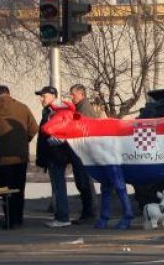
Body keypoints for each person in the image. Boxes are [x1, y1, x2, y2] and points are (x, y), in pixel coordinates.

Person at [0, 85, 37, 228]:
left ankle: (9, 220)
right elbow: (34, 128)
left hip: (3, 157)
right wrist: (24, 140)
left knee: (6, 189)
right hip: (20, 156)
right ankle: (18, 219)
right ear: (9, 94)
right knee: (19, 188)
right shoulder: (23, 108)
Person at [36, 86, 73, 228]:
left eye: (43, 96)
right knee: (57, 186)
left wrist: (56, 140)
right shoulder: (48, 112)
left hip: (57, 155)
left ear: (52, 96)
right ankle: (60, 216)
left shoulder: (57, 112)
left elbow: (63, 131)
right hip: (53, 155)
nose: (41, 99)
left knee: (59, 186)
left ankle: (63, 218)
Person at [67, 84, 97, 224]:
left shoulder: (84, 110)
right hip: (81, 152)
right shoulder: (80, 108)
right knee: (82, 183)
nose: (71, 97)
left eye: (73, 94)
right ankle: (87, 213)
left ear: (82, 94)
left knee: (84, 183)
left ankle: (89, 214)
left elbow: (80, 130)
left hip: (83, 153)